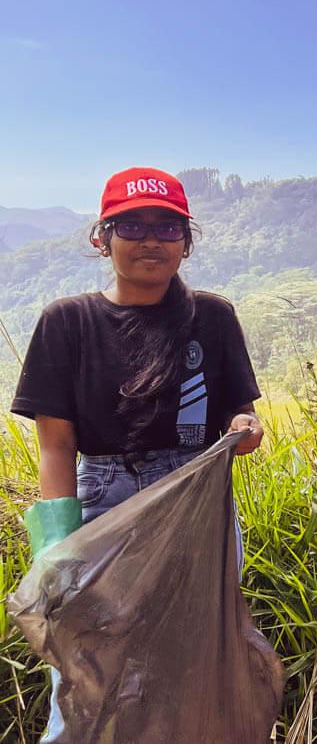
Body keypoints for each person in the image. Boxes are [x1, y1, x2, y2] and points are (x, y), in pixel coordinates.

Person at [11, 167, 265, 742]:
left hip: (199, 504)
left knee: (194, 657)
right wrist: (58, 546)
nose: (151, 239)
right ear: (103, 238)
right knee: (89, 665)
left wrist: (246, 432)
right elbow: (56, 444)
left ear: (186, 242)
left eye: (167, 228)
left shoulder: (213, 318)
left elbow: (240, 425)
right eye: (133, 225)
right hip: (106, 504)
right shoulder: (68, 321)